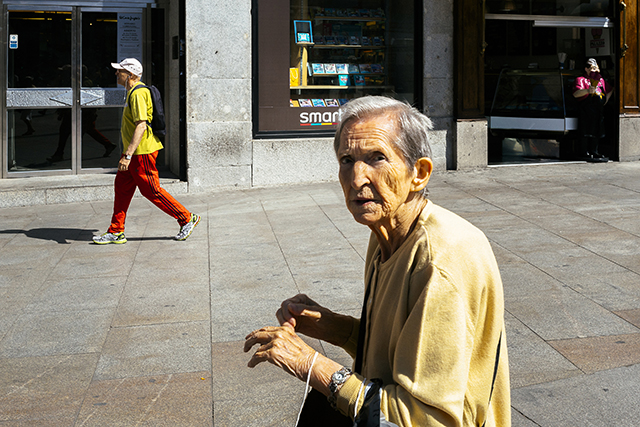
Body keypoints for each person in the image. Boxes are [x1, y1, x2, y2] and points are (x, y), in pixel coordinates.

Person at [244, 96, 511, 426]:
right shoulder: (385, 231)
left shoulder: (441, 260)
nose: (357, 178)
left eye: (376, 158)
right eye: (346, 160)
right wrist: (336, 327)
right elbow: (401, 356)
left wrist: (312, 365)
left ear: (419, 173)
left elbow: (430, 418)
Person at [93, 58, 200, 244]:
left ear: (131, 75)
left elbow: (141, 126)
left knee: (152, 190)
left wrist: (127, 155)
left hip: (141, 152)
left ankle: (186, 218)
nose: (117, 73)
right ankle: (116, 230)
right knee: (122, 188)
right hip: (133, 152)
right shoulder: (133, 92)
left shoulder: (138, 94)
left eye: (121, 71)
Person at [573, 58, 613, 163]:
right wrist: (587, 91)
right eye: (592, 68)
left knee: (597, 131)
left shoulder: (601, 80)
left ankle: (594, 151)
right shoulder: (581, 79)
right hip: (586, 110)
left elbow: (610, 89)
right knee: (585, 131)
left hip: (598, 110)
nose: (595, 70)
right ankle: (584, 151)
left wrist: (605, 101)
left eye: (596, 68)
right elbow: (576, 93)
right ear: (586, 69)